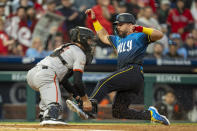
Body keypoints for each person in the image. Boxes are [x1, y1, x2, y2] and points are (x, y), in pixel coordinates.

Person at [66, 9, 170, 125]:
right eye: (117, 25)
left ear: (130, 25)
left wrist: (140, 28)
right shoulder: (118, 39)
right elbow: (103, 35)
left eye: (120, 24)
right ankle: (151, 115)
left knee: (103, 82)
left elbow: (159, 35)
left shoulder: (139, 36)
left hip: (133, 71)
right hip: (128, 76)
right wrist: (95, 20)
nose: (118, 27)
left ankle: (89, 107)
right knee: (119, 112)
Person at [26, 26, 96, 125]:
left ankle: (44, 114)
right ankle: (50, 116)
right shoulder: (80, 53)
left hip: (33, 74)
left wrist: (77, 97)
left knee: (48, 100)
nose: (91, 43)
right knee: (56, 105)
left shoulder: (66, 46)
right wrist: (85, 100)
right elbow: (77, 82)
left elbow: (64, 80)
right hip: (47, 74)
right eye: (89, 40)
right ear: (82, 39)